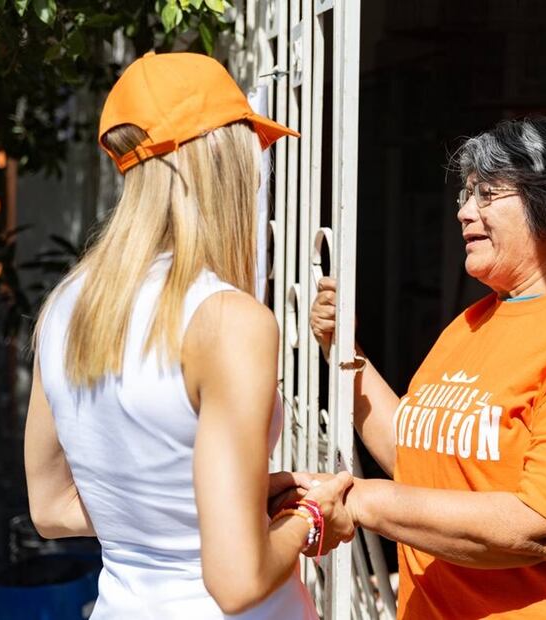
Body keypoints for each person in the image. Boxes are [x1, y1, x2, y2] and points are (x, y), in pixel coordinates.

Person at [24, 51, 354, 619]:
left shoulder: (65, 309)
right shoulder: (227, 319)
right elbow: (237, 581)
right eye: (253, 151)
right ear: (220, 160)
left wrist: (219, 503)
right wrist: (314, 518)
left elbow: (52, 509)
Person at [310, 117, 546, 618]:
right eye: (464, 194)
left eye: (485, 194)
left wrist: (360, 502)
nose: (463, 212)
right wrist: (344, 350)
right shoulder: (471, 323)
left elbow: (542, 526)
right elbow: (413, 457)